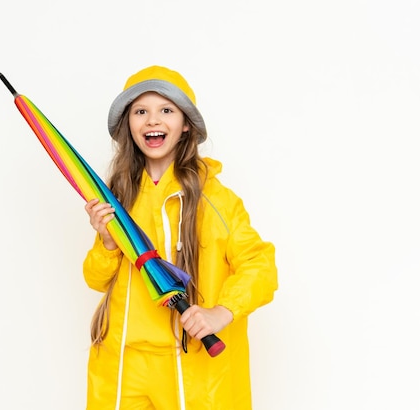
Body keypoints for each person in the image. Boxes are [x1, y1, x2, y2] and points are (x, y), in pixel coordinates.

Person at [82, 65, 278, 410]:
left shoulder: (214, 200)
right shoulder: (118, 197)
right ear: (129, 124)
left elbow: (260, 266)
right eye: (141, 111)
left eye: (166, 110)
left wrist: (222, 312)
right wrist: (108, 243)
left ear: (185, 124)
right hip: (123, 364)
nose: (152, 120)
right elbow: (96, 280)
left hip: (189, 368)